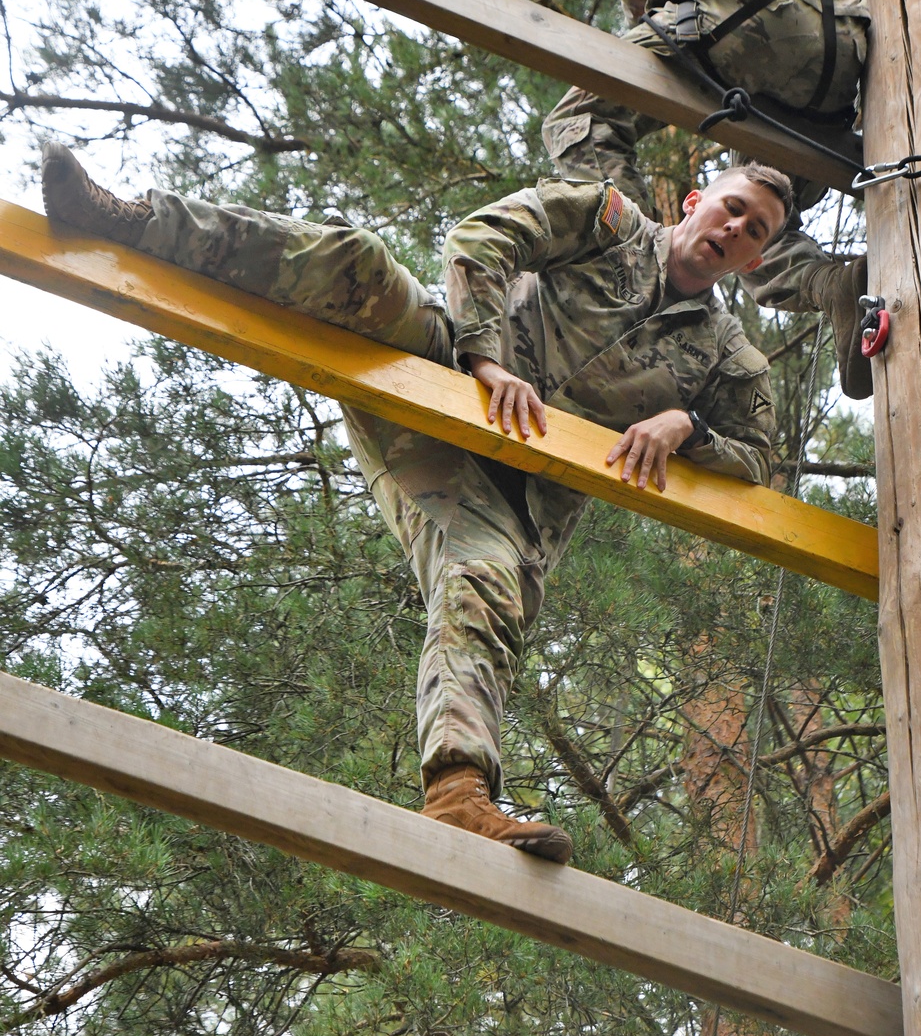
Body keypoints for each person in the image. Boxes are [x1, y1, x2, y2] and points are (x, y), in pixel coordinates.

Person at [41, 143, 791, 866]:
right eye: (731, 209)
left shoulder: (728, 356)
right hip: (439, 374)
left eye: (753, 231)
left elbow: (759, 456)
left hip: (500, 498)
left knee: (484, 583)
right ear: (695, 202)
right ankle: (131, 221)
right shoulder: (607, 219)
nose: (733, 230)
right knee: (359, 264)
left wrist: (687, 425)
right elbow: (484, 237)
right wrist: (487, 356)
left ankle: (459, 793)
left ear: (754, 261)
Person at [542, 0, 874, 399]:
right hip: (837, 63)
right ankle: (834, 286)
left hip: (756, 5)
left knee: (580, 114)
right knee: (757, 224)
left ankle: (636, 256)